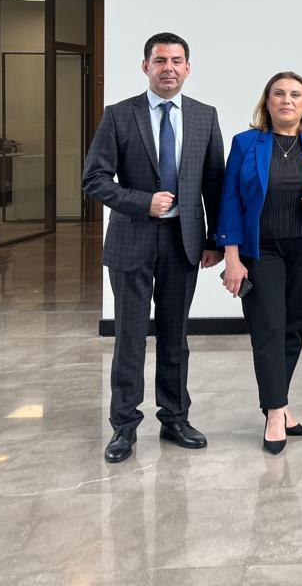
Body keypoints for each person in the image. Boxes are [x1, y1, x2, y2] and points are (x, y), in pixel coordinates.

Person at [82, 32, 225, 464]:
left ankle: (175, 417)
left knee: (175, 337)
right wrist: (143, 202)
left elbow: (215, 184)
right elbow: (95, 180)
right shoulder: (119, 115)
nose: (169, 68)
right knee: (129, 337)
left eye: (177, 60)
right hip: (131, 242)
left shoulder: (204, 116)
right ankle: (123, 426)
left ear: (188, 67)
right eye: (160, 60)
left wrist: (215, 239)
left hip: (183, 242)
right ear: (145, 66)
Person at [217, 72, 302, 454]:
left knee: (292, 326)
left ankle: (281, 401)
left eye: (295, 94)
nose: (287, 100)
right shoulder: (246, 143)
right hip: (262, 250)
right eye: (279, 94)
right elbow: (230, 201)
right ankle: (275, 412)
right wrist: (231, 257)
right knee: (268, 327)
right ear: (267, 101)